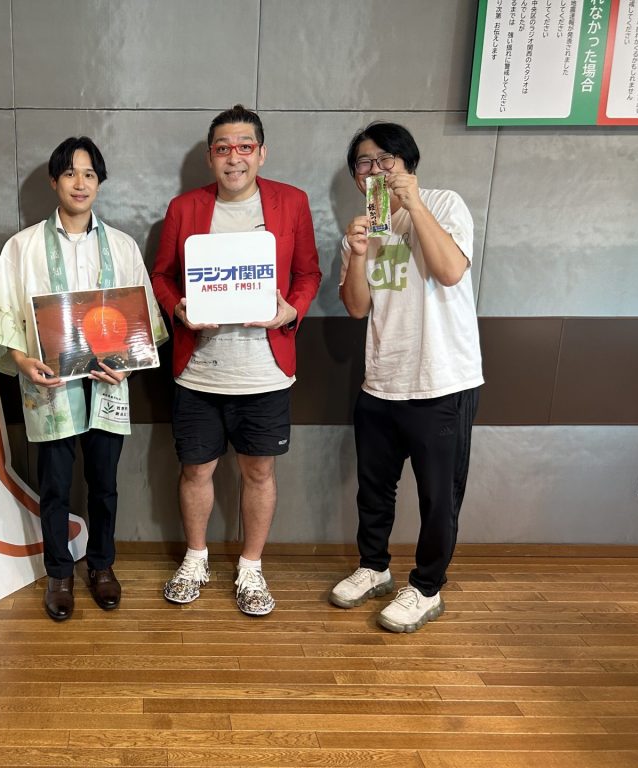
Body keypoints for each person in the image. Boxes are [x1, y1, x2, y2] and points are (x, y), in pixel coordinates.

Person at [0, 137, 167, 622]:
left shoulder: (122, 246)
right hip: (50, 383)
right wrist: (23, 362)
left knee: (104, 483)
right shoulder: (22, 247)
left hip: (107, 380)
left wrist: (129, 363)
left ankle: (102, 565)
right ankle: (59, 573)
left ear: (99, 182)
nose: (79, 183)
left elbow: (142, 320)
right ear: (54, 181)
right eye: (69, 173)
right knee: (56, 485)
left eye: (89, 174)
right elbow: (5, 316)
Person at [150, 105, 321, 616]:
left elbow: (308, 273)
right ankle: (195, 559)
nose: (234, 157)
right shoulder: (184, 208)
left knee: (259, 472)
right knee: (195, 470)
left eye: (245, 146)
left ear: (261, 153)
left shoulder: (291, 202)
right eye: (223, 148)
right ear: (210, 156)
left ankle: (250, 567)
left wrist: (292, 310)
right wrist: (178, 309)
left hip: (265, 370)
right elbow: (161, 276)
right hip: (199, 370)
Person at [329, 122, 483, 633]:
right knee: (374, 490)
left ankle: (427, 588)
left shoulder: (443, 203)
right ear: (356, 176)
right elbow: (357, 307)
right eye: (365, 163)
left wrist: (414, 205)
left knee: (439, 496)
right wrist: (357, 253)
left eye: (385, 159)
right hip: (381, 381)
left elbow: (451, 271)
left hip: (442, 381)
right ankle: (374, 567)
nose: (375, 170)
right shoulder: (361, 229)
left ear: (407, 163)